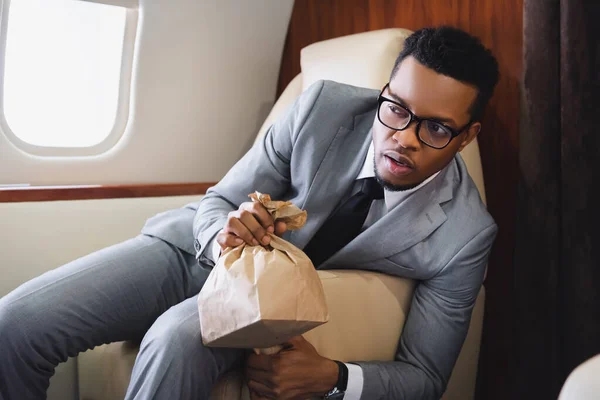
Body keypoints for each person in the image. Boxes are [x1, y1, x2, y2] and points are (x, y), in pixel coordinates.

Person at [0, 26, 499, 400]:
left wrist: (335, 377)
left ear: (468, 136)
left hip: (268, 313)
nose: (405, 137)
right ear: (384, 92)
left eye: (435, 130)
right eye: (396, 109)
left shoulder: (464, 235)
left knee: (175, 337)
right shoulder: (321, 107)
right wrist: (225, 233)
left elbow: (427, 377)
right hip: (193, 255)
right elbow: (220, 199)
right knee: (16, 324)